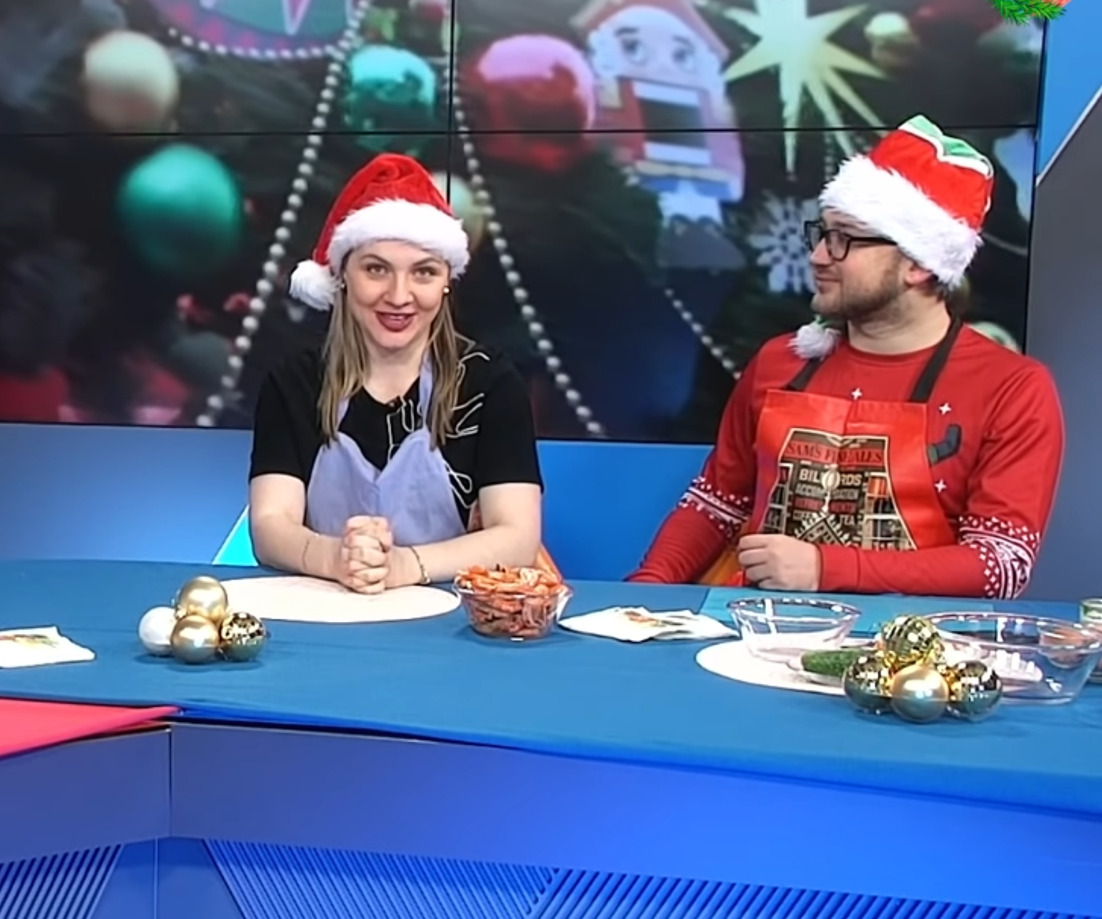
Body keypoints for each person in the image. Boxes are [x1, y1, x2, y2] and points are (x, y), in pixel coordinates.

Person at [631, 116, 1064, 597]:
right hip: (755, 629)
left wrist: (825, 568)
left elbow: (1000, 565)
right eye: (822, 234)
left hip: (913, 642)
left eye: (844, 239)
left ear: (919, 264)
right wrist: (644, 594)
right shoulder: (780, 360)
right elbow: (715, 504)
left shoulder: (1013, 388)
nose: (818, 256)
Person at [247, 153, 546, 593]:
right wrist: (335, 558)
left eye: (423, 272)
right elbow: (270, 526)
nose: (399, 296)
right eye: (376, 269)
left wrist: (406, 565)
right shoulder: (293, 383)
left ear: (446, 281)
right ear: (342, 275)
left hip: (449, 619)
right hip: (323, 609)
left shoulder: (489, 383)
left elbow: (517, 538)